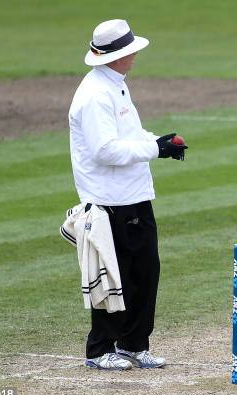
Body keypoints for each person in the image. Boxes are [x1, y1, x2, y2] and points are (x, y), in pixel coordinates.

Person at [68, 19, 187, 370]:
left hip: (133, 195)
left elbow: (129, 134)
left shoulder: (115, 85)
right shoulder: (93, 95)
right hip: (107, 201)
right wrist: (155, 150)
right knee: (112, 275)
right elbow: (105, 150)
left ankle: (134, 344)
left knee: (145, 271)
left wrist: (158, 141)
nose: (135, 55)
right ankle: (100, 348)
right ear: (118, 55)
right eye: (130, 51)